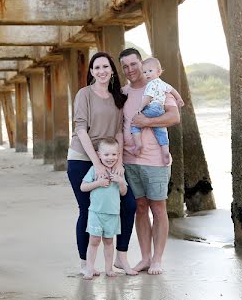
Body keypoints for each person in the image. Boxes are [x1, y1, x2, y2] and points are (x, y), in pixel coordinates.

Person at [67, 51, 139, 276]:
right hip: (82, 157)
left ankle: (121, 256)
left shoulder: (117, 97)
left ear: (111, 70)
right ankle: (85, 264)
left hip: (109, 158)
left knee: (128, 205)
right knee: (87, 210)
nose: (101, 71)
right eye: (97, 68)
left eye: (105, 67)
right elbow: (80, 128)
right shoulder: (84, 94)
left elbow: (118, 131)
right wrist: (96, 164)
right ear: (91, 72)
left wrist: (118, 163)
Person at [118, 48, 181, 275]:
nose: (130, 70)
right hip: (129, 159)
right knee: (140, 208)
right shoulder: (123, 92)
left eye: (133, 64)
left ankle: (157, 259)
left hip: (155, 159)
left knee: (158, 207)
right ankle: (144, 258)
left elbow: (174, 117)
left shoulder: (158, 87)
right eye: (125, 66)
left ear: (141, 63)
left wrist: (145, 122)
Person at [79, 138, 128, 279]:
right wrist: (98, 183)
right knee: (94, 241)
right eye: (106, 154)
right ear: (98, 155)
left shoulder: (119, 172)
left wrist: (120, 182)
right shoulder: (95, 170)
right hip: (96, 213)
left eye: (114, 154)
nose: (110, 158)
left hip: (112, 214)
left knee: (109, 242)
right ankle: (89, 268)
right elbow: (83, 187)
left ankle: (109, 269)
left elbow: (123, 193)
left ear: (118, 155)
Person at [127, 56, 185, 164]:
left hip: (152, 107)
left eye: (150, 71)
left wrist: (140, 108)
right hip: (160, 109)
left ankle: (138, 144)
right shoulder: (163, 84)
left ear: (158, 71)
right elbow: (172, 90)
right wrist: (179, 98)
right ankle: (165, 151)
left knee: (134, 123)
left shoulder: (151, 84)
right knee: (160, 129)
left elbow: (148, 97)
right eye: (144, 72)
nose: (147, 74)